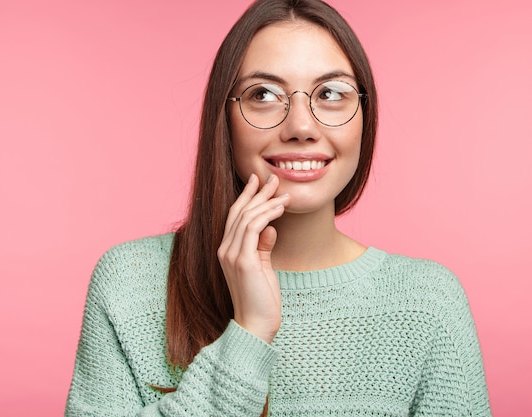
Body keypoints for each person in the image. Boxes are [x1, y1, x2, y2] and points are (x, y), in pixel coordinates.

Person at [65, 0, 491, 415]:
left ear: (366, 114)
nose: (301, 127)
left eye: (330, 93)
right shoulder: (130, 283)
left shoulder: (428, 302)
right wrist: (248, 334)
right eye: (264, 94)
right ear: (224, 119)